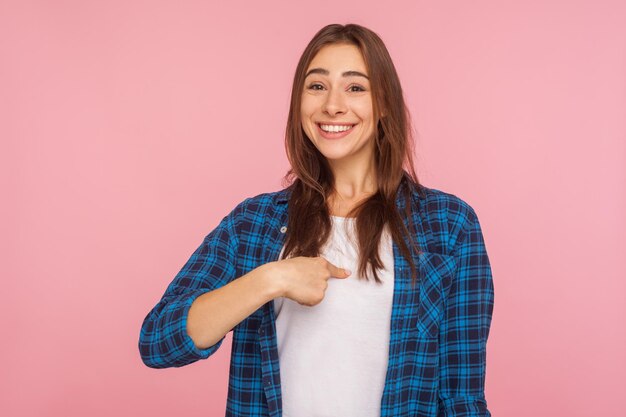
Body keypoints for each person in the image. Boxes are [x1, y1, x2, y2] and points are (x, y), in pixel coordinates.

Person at [139, 23, 495, 417]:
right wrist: (269, 280)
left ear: (385, 105)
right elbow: (159, 341)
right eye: (317, 86)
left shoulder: (448, 225)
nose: (333, 105)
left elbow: (461, 397)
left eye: (355, 87)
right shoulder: (253, 222)